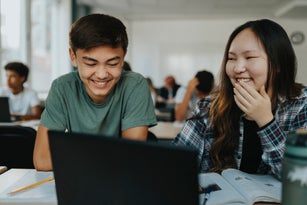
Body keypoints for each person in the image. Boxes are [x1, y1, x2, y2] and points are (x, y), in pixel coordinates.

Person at [173, 19, 307, 180]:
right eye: (231, 58)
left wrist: (265, 121)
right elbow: (175, 164)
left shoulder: (301, 104)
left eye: (250, 57)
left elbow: (300, 177)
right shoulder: (209, 105)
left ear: (278, 64)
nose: (237, 68)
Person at [33, 13, 157, 171]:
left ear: (123, 56)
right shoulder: (62, 87)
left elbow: (130, 156)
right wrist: (108, 154)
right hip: (79, 182)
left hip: (120, 181)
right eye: (90, 63)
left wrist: (71, 154)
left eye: (112, 63)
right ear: (73, 56)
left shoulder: (135, 85)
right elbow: (42, 161)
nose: (101, 74)